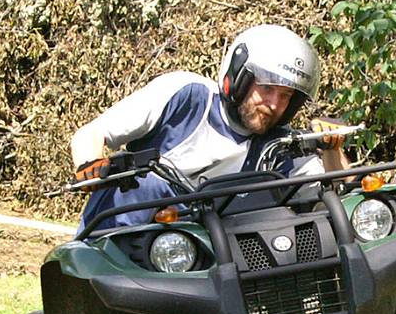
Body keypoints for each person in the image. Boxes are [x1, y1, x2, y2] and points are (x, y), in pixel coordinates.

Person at [70, 24, 349, 230]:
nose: (274, 104)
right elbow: (91, 134)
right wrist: (91, 163)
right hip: (129, 238)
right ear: (238, 77)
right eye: (266, 88)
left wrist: (331, 145)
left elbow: (334, 191)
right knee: (146, 185)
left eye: (286, 96)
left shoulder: (280, 147)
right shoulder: (184, 95)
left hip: (207, 261)